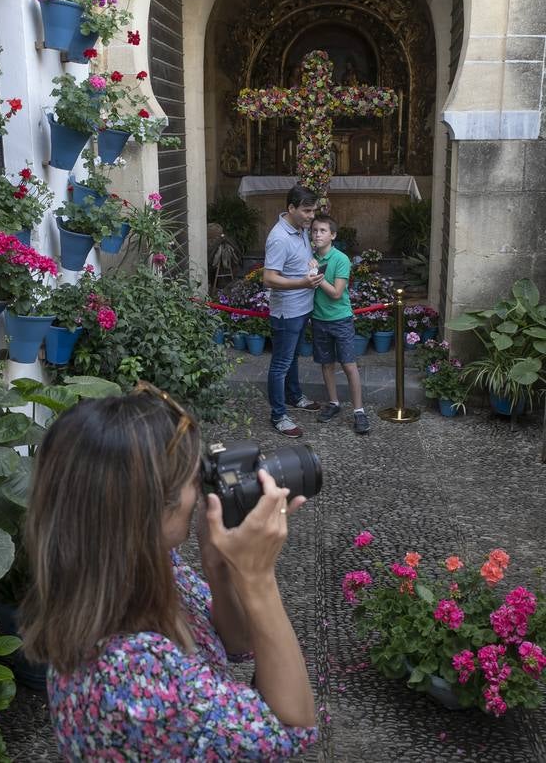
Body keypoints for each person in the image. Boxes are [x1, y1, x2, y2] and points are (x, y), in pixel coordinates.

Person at [20, 383, 317, 761]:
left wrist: (219, 567)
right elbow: (293, 725)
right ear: (149, 511)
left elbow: (237, 644)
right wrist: (259, 579)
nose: (202, 491)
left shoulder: (133, 566)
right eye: (193, 480)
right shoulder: (133, 670)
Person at [263, 185, 324, 438]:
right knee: (280, 364)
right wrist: (303, 283)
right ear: (291, 208)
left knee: (293, 358)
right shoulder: (279, 237)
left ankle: (294, 396)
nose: (311, 216)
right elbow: (268, 278)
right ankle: (278, 416)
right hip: (287, 312)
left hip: (302, 308)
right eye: (307, 211)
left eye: (313, 211)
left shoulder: (299, 229)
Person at [310, 213, 370, 434]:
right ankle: (334, 403)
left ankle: (359, 411)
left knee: (348, 364)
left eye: (323, 231)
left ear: (332, 235)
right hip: (319, 319)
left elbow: (336, 293)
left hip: (340, 319)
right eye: (315, 230)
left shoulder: (341, 259)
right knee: (326, 363)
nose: (317, 234)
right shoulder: (312, 256)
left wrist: (316, 275)